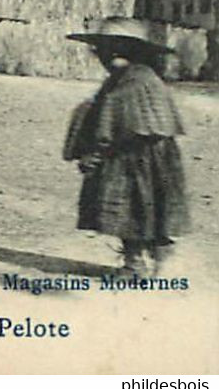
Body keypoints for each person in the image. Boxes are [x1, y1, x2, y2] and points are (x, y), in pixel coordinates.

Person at [63, 18, 189, 277]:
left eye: (106, 50)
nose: (101, 56)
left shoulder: (130, 83)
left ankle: (136, 264)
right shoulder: (136, 78)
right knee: (150, 206)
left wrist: (95, 153)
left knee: (129, 208)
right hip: (153, 155)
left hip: (131, 156)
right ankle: (158, 254)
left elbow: (110, 124)